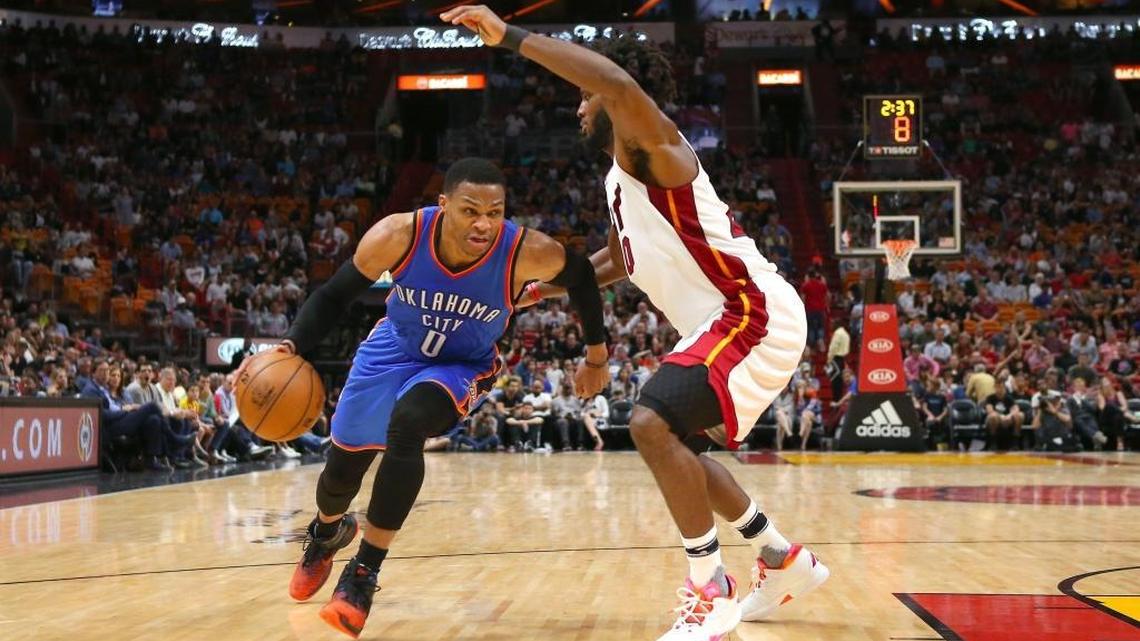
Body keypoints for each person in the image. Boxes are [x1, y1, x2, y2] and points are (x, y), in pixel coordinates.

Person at [443, 8, 826, 639]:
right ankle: (783, 558)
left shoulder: (660, 147)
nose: (579, 108)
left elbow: (618, 86)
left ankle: (709, 588)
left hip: (750, 312)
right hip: (726, 320)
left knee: (648, 421)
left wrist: (507, 36)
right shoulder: (626, 181)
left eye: (585, 97)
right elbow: (626, 256)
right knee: (682, 451)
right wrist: (552, 285)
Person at [263, 158, 609, 638]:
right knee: (340, 473)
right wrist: (291, 345)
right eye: (470, 210)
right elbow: (335, 295)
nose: (484, 223)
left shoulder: (526, 251)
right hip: (394, 348)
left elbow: (584, 278)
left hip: (460, 365)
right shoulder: (398, 234)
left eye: (495, 210)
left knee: (408, 424)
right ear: (443, 205)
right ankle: (327, 532)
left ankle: (364, 573)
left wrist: (596, 357)